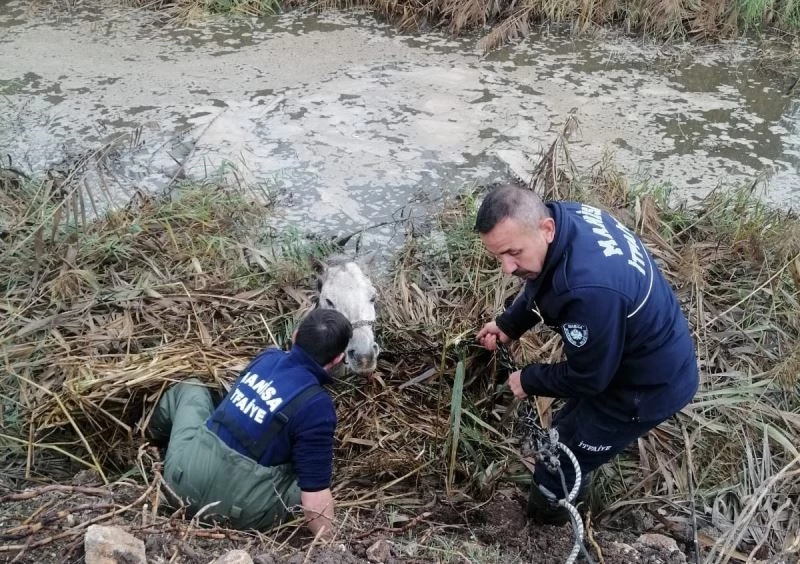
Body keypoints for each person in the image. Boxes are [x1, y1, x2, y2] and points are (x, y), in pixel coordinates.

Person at [475, 184, 699, 525]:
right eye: (498, 256)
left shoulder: (589, 291)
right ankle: (578, 492)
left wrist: (529, 379)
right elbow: (543, 281)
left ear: (546, 229)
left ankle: (549, 528)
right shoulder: (564, 219)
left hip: (647, 386)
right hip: (625, 350)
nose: (507, 267)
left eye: (513, 253)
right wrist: (509, 324)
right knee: (569, 432)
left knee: (561, 460)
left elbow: (589, 378)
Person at [148, 308, 352, 538]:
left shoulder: (267, 358)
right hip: (234, 514)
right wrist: (333, 545)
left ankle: (151, 436)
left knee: (191, 387)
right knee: (315, 476)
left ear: (295, 335)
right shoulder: (318, 406)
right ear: (337, 359)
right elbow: (313, 500)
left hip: (180, 483)